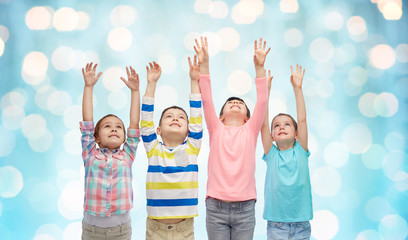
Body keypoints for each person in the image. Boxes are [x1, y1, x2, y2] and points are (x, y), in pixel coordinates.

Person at [194, 37, 269, 240]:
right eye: (230, 102)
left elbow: (262, 101)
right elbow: (207, 99)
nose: (235, 102)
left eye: (239, 102)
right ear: (220, 116)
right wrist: (205, 64)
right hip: (215, 206)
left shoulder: (251, 130)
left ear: (247, 117)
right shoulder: (216, 128)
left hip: (245, 208)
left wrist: (259, 69)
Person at [140, 59, 203, 240]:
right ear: (158, 130)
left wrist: (194, 81)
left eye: (181, 118)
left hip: (184, 228)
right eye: (169, 116)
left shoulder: (192, 146)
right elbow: (145, 121)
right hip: (155, 228)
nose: (175, 118)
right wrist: (151, 83)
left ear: (188, 131)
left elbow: (197, 117)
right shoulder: (153, 149)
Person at [80, 62, 140, 240]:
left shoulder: (127, 155)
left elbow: (134, 125)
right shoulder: (90, 153)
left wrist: (135, 92)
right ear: (96, 137)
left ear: (124, 137)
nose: (114, 129)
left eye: (118, 127)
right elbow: (87, 121)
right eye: (107, 126)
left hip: (121, 231)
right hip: (92, 231)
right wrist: (88, 87)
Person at [260, 65, 312, 240]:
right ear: (272, 136)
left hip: (302, 225)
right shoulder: (271, 154)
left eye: (287, 124)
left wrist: (298, 89)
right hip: (277, 226)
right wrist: (265, 93)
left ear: (297, 134)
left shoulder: (301, 150)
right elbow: (263, 124)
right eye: (277, 125)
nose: (281, 126)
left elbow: (303, 120)